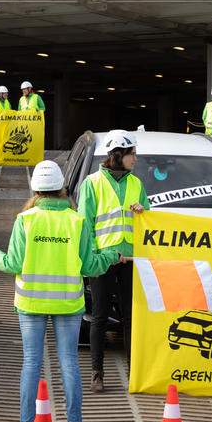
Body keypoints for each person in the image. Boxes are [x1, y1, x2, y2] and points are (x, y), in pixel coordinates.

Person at [0, 160, 120, 422]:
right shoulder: (77, 221)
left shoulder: (25, 221)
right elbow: (91, 266)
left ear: (35, 190)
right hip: (67, 304)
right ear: (62, 188)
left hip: (31, 303)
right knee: (69, 362)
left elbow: (14, 262)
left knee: (31, 362)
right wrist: (112, 257)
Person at [79, 129, 149, 393]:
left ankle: (133, 371)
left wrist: (144, 212)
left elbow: (149, 221)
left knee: (132, 318)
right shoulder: (92, 183)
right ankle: (97, 372)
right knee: (99, 317)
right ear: (118, 155)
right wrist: (92, 260)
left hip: (130, 259)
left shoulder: (137, 184)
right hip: (102, 261)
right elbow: (86, 225)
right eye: (132, 154)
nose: (135, 159)